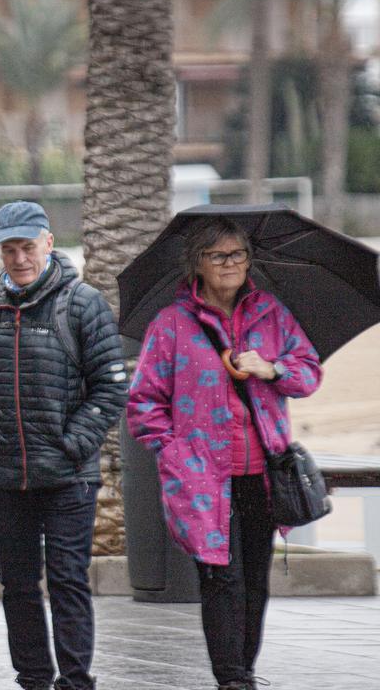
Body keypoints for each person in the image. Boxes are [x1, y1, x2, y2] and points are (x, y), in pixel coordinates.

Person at [128, 216, 322, 690]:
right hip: (200, 477)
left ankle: (245, 669)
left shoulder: (272, 314)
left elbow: (309, 373)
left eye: (237, 254)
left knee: (255, 581)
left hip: (263, 473)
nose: (231, 264)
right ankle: (231, 678)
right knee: (221, 579)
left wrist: (271, 368)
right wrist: (172, 452)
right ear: (198, 264)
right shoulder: (172, 324)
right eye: (218, 256)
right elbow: (143, 403)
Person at [0, 200, 126, 690]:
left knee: (69, 580)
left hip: (69, 477)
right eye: (9, 249)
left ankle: (75, 680)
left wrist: (73, 443)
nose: (19, 258)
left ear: (48, 244)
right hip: (7, 478)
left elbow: (112, 386)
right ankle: (33, 677)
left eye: (27, 247)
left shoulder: (83, 303)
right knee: (16, 584)